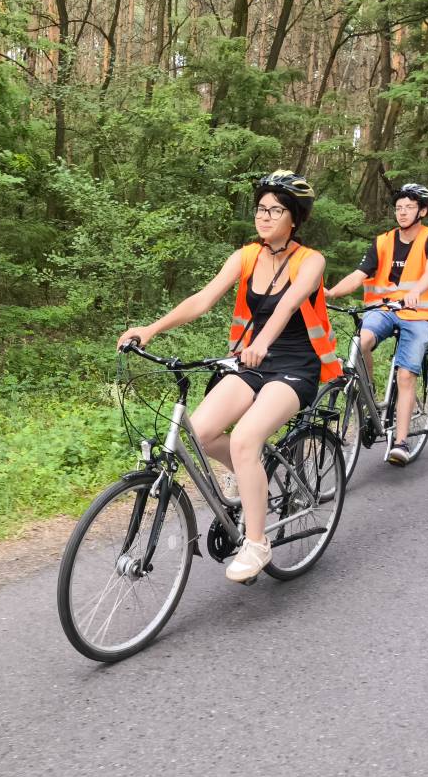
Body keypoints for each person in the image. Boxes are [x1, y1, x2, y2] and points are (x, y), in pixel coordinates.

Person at [117, 171, 341, 583]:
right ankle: (250, 474)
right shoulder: (247, 256)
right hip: (252, 362)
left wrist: (263, 342)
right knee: (200, 433)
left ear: (294, 218)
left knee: (244, 439)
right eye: (260, 209)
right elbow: (203, 299)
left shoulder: (311, 261)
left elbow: (289, 305)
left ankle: (256, 542)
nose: (264, 217)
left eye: (275, 210)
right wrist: (151, 329)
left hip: (295, 366)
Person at [324, 183, 428, 466]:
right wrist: (331, 293)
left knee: (406, 375)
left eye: (409, 207)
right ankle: (369, 398)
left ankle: (400, 442)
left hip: (420, 313)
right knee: (360, 342)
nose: (402, 212)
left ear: (422, 211)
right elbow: (359, 274)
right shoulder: (382, 242)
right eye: (399, 208)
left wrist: (416, 290)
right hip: (384, 309)